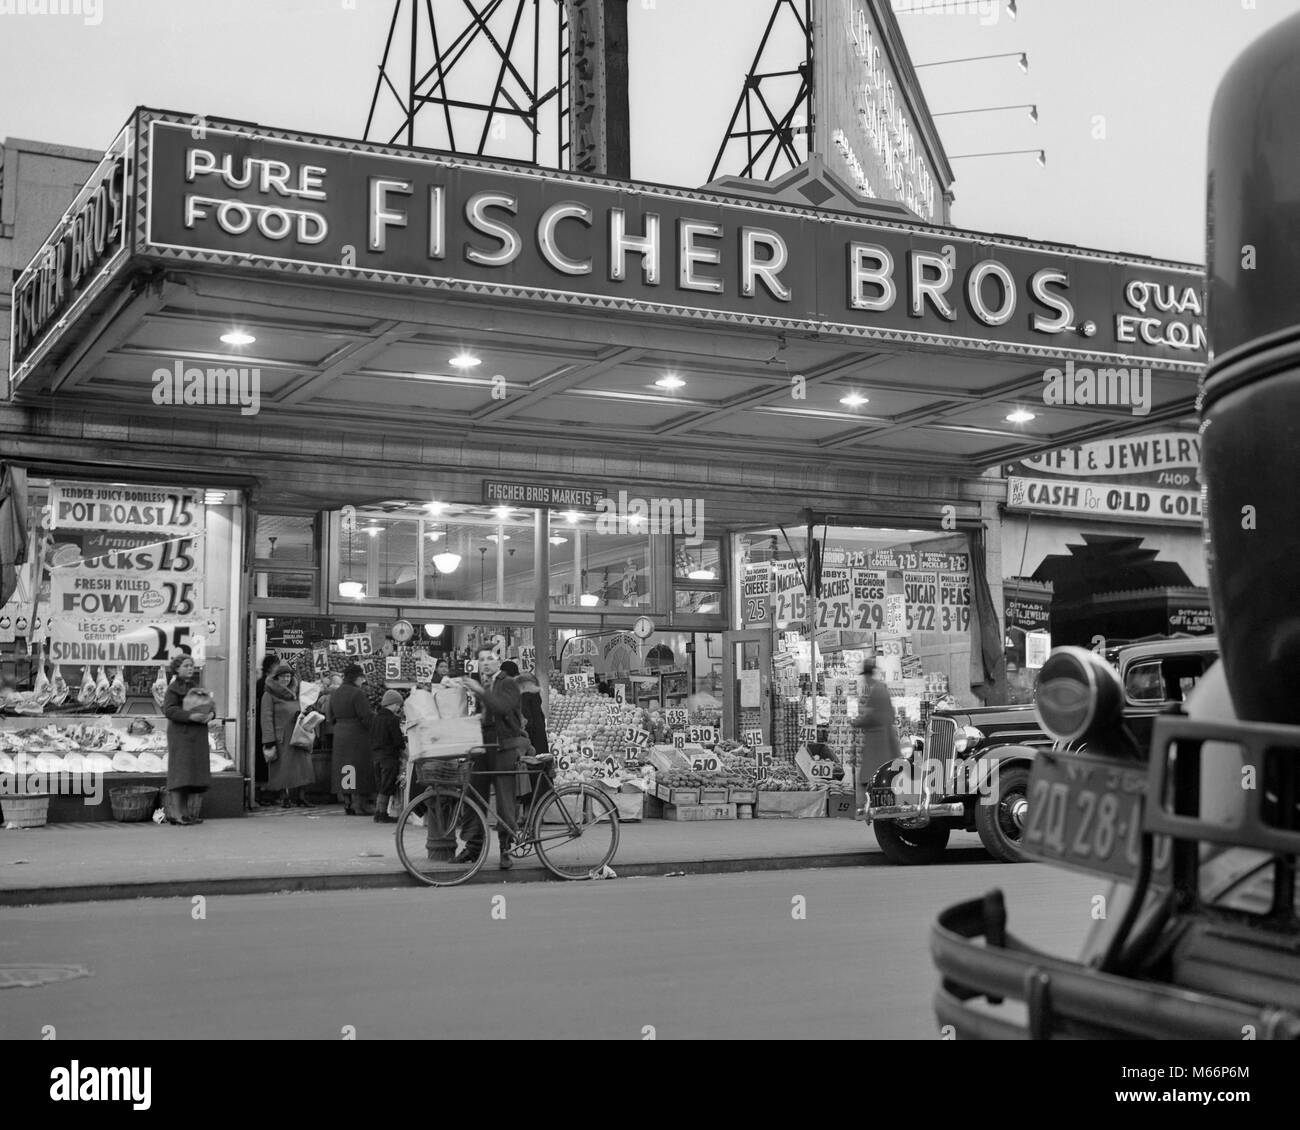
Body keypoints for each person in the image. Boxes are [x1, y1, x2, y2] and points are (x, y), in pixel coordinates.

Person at [458, 647, 529, 869]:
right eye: (481, 660)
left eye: (490, 659)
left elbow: (501, 707)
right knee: (474, 792)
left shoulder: (508, 683)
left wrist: (479, 690)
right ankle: (473, 846)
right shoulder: (486, 685)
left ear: (498, 663)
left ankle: (505, 848)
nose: (486, 663)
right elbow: (487, 713)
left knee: (504, 799)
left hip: (504, 747)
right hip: (484, 745)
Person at [162, 654, 213, 825]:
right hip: (181, 736)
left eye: (191, 665)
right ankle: (176, 814)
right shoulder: (172, 689)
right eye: (185, 665)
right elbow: (169, 711)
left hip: (197, 737)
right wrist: (191, 716)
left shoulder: (196, 687)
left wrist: (211, 714)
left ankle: (186, 813)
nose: (190, 668)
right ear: (177, 669)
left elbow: (210, 705)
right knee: (180, 775)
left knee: (191, 776)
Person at [849, 658, 901, 820]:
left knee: (871, 775)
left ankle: (867, 807)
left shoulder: (875, 691)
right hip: (886, 738)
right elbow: (890, 714)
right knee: (885, 772)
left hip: (877, 741)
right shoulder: (881, 688)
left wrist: (856, 722)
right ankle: (880, 805)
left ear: (867, 675)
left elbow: (870, 716)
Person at [262, 664, 315, 808]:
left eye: (288, 676)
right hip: (282, 737)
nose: (286, 679)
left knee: (302, 767)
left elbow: (302, 709)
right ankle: (284, 797)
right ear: (277, 678)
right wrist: (269, 741)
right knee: (283, 769)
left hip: (298, 734)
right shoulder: (269, 695)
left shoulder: (297, 693)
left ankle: (301, 796)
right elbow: (266, 718)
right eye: (283, 676)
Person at [327, 664, 375, 814]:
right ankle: (359, 805)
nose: (363, 681)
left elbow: (330, 716)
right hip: (357, 734)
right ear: (357, 678)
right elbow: (366, 717)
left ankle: (348, 803)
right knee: (359, 768)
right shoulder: (357, 693)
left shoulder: (335, 693)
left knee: (345, 768)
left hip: (340, 734)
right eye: (362, 678)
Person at [517, 671, 554, 813]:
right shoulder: (534, 696)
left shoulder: (525, 696)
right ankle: (537, 812)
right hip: (539, 741)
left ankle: (529, 813)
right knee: (538, 776)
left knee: (531, 777)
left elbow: (528, 721)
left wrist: (525, 739)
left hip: (532, 742)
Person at [370, 689, 405, 824]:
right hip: (389, 757)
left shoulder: (375, 718)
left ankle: (378, 813)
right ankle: (382, 814)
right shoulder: (393, 719)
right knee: (387, 785)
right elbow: (398, 741)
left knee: (381, 785)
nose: (399, 708)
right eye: (398, 705)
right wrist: (402, 747)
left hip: (376, 756)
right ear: (394, 704)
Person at [252, 652, 279, 806]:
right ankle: (262, 792)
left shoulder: (264, 682)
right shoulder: (265, 684)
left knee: (265, 758)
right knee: (264, 759)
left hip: (264, 725)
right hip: (264, 726)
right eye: (276, 664)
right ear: (270, 667)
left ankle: (263, 791)